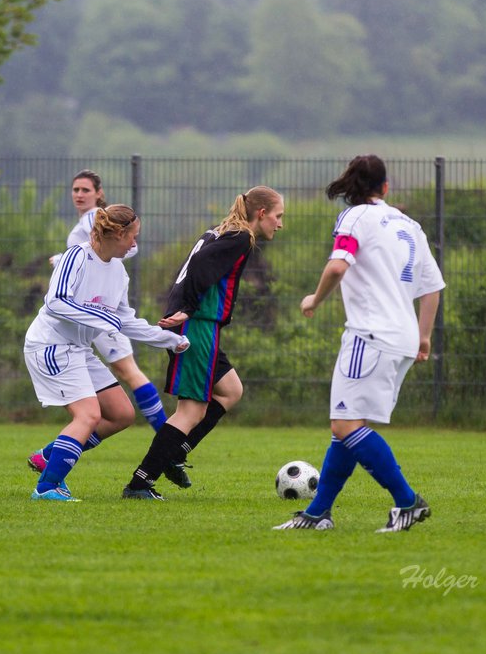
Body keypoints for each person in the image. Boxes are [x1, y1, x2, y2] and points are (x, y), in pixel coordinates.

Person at [273, 154, 444, 533]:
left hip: (370, 335)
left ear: (352, 185)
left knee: (346, 424)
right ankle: (318, 514)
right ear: (385, 187)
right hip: (402, 337)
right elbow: (432, 288)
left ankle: (407, 501)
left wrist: (313, 300)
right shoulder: (410, 225)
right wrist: (425, 336)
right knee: (347, 427)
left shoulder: (354, 217)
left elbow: (337, 265)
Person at [121, 186, 285, 500]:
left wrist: (181, 309)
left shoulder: (220, 232)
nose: (279, 224)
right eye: (277, 216)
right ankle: (141, 482)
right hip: (197, 327)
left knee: (231, 389)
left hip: (199, 325)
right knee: (191, 411)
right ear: (261, 213)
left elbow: (193, 269)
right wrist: (188, 310)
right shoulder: (240, 238)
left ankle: (174, 453)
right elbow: (198, 269)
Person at [30, 169, 186, 486]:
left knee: (121, 414)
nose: (135, 243)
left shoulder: (118, 273)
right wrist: (102, 319)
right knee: (88, 416)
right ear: (117, 235)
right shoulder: (75, 256)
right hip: (50, 346)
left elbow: (124, 320)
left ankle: (50, 456)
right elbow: (56, 302)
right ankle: (47, 487)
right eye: (133, 236)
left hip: (79, 350)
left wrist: (168, 339)